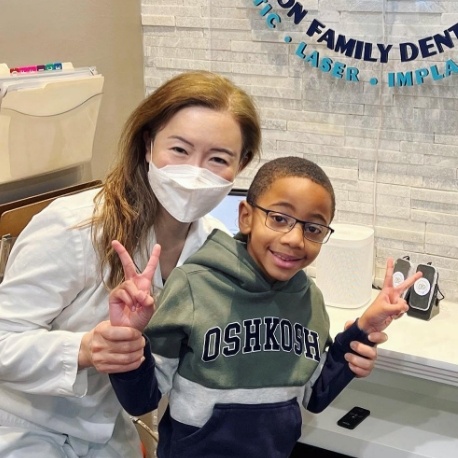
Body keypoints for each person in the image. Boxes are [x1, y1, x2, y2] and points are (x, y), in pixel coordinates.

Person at [0, 70, 264, 458]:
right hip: (26, 424)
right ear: (148, 145)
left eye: (218, 159)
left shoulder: (213, 246)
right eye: (179, 150)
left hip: (110, 429)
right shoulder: (75, 226)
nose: (194, 172)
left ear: (240, 166)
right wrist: (87, 349)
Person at [108, 156, 422, 458]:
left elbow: (315, 395)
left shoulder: (309, 299)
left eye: (313, 228)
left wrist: (362, 333)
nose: (295, 239)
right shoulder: (193, 286)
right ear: (246, 216)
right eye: (279, 218)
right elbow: (141, 400)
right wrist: (127, 338)